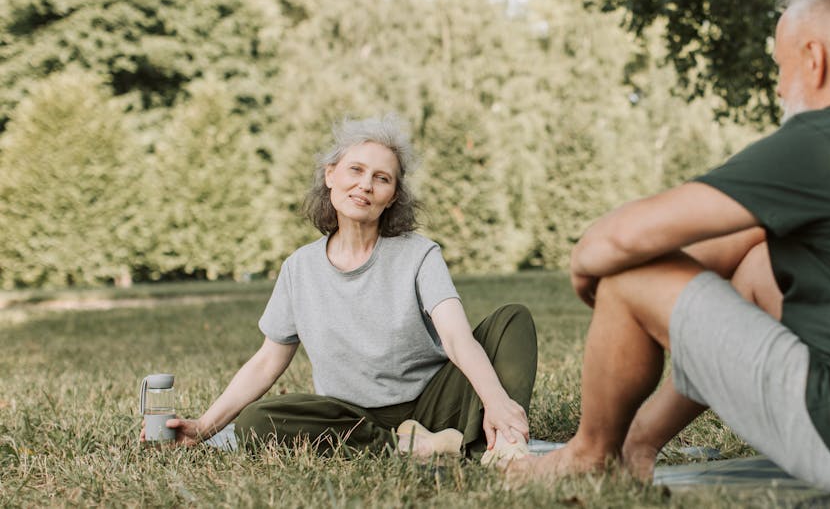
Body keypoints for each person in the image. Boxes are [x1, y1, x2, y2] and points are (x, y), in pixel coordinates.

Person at [511, 0, 830, 497]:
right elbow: (731, 247)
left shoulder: (825, 142)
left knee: (630, 274)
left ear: (813, 59)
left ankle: (589, 454)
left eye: (780, 66)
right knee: (755, 268)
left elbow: (613, 243)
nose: (778, 87)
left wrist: (595, 275)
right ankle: (637, 444)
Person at [143, 115, 538, 464]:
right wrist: (204, 427)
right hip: (349, 418)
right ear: (330, 175)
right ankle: (411, 447)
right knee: (256, 422)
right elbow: (267, 362)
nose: (365, 185)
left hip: (434, 405)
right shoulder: (299, 268)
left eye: (381, 178)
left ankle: (502, 437)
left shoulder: (419, 254)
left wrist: (496, 401)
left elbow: (455, 337)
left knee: (512, 320)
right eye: (355, 170)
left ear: (393, 196)